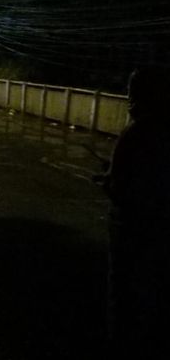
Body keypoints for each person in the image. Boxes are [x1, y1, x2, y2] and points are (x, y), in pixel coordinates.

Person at [104, 67, 170, 359]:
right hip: (159, 232)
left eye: (132, 93)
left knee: (126, 294)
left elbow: (120, 189)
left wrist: (108, 183)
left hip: (132, 231)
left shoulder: (137, 133)